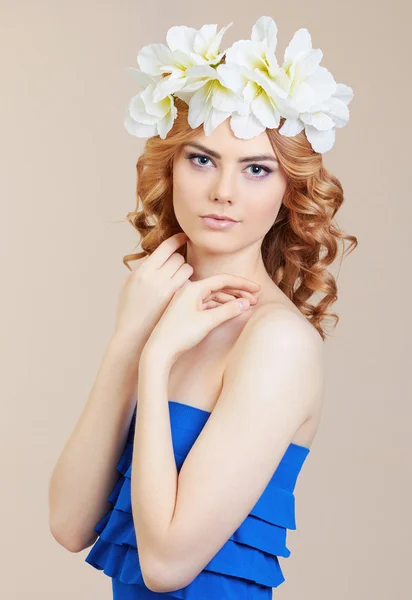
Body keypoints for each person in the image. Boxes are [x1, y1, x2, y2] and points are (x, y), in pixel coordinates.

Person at [48, 15, 358, 599]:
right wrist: (129, 340)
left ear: (288, 193)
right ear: (170, 167)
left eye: (256, 169)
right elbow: (68, 525)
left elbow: (166, 566)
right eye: (202, 159)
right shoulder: (156, 312)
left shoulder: (276, 341)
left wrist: (157, 354)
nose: (223, 192)